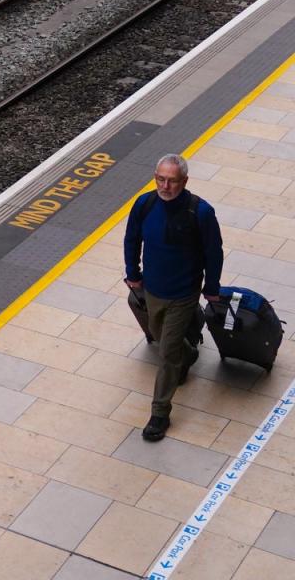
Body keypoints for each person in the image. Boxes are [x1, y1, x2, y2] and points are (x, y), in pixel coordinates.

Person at [124, 154, 223, 441]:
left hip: (184, 293)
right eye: (160, 179)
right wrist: (133, 272)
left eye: (172, 181)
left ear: (185, 181)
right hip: (152, 288)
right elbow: (132, 238)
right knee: (158, 334)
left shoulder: (200, 212)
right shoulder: (145, 204)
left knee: (166, 353)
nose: (165, 186)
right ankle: (189, 353)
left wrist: (212, 287)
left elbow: (213, 253)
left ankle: (160, 412)